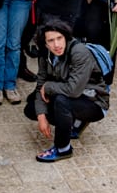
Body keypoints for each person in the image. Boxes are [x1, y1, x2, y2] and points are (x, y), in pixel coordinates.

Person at [23, 18, 108, 162]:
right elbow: (40, 86)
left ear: (66, 37)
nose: (56, 44)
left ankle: (63, 148)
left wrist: (48, 87)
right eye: (50, 41)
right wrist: (41, 116)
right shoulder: (45, 55)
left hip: (94, 101)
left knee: (62, 102)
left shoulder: (78, 52)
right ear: (45, 43)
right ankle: (74, 122)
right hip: (70, 95)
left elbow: (73, 90)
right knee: (32, 107)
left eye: (59, 38)